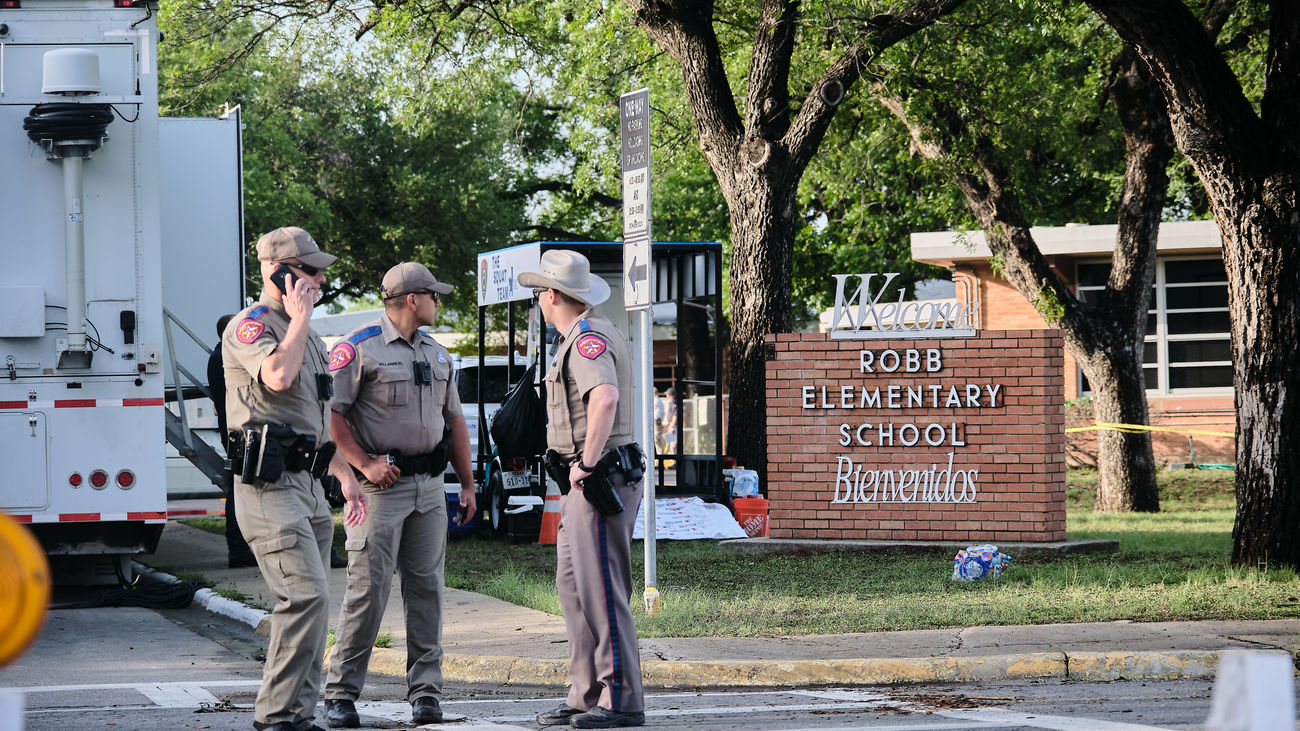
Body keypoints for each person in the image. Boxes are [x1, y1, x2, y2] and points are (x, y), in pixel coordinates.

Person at [223, 226, 368, 731]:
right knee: (303, 595)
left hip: (307, 485)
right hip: (267, 487)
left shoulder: (311, 337)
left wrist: (345, 475)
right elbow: (277, 378)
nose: (321, 278)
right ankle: (277, 716)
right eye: (310, 270)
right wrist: (299, 318)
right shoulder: (252, 325)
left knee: (317, 603)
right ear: (279, 272)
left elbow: (317, 415)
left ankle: (300, 714)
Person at [322, 262, 478, 729]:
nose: (438, 302)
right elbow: (330, 418)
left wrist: (466, 484)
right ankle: (341, 692)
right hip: (378, 491)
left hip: (429, 488)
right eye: (434, 295)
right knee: (368, 591)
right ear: (412, 299)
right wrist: (364, 464)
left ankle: (426, 692)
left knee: (427, 588)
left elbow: (455, 423)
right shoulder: (359, 348)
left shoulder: (437, 352)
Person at [520, 250, 645, 729]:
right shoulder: (579, 335)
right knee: (573, 588)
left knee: (600, 592)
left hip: (599, 478)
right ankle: (585, 694)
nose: (539, 302)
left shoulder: (587, 338)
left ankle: (622, 700)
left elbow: (606, 399)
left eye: (539, 295)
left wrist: (587, 465)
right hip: (587, 480)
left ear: (553, 295)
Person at [208, 313, 256, 568]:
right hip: (239, 434)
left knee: (240, 491)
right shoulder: (223, 358)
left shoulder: (219, 356)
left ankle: (240, 550)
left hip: (236, 433)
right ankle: (238, 551)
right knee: (239, 492)